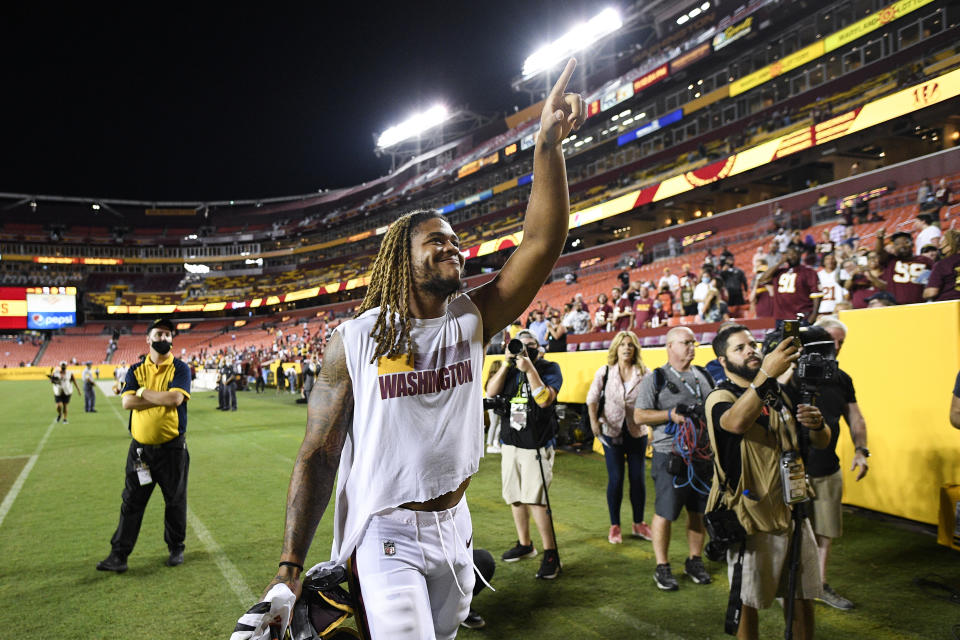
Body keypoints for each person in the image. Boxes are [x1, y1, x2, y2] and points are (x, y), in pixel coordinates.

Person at [247, 61, 583, 640]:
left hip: (457, 526)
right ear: (402, 258)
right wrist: (289, 568)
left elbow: (541, 241)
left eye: (456, 240)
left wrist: (546, 145)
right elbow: (319, 454)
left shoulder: (472, 319)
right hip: (386, 533)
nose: (453, 247)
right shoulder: (354, 339)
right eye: (437, 242)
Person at [704, 324, 830, 640]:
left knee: (801, 596)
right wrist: (768, 375)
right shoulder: (720, 396)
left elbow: (822, 441)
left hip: (793, 511)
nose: (750, 350)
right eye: (739, 348)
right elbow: (735, 422)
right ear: (723, 360)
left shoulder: (780, 394)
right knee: (748, 601)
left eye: (752, 344)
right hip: (751, 517)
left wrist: (818, 425)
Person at [97, 318, 192, 573]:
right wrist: (150, 397)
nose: (164, 338)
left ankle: (176, 548)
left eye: (168, 335)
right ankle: (119, 556)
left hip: (172, 450)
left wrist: (141, 392)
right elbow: (126, 404)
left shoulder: (181, 369)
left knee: (175, 501)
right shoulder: (135, 370)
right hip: (140, 452)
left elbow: (174, 398)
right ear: (148, 339)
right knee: (131, 502)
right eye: (159, 334)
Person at [634, 326, 716, 591]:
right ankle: (662, 566)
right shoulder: (655, 378)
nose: (692, 347)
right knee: (665, 512)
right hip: (670, 454)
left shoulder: (703, 375)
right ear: (670, 346)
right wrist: (670, 415)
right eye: (686, 342)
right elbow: (639, 416)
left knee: (698, 512)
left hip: (701, 455)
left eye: (694, 342)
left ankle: (694, 560)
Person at [797, 322, 870, 611]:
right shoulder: (791, 377)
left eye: (841, 343)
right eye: (831, 342)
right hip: (793, 468)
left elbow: (856, 418)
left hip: (827, 466)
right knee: (792, 532)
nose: (836, 348)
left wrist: (861, 450)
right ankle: (791, 584)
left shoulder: (842, 378)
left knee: (825, 532)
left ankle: (819, 585)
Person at [486, 329, 563, 578]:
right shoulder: (509, 368)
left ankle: (551, 552)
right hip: (510, 442)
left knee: (536, 499)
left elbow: (544, 400)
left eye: (530, 345)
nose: (524, 349)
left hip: (536, 444)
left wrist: (530, 369)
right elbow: (490, 392)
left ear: (539, 348)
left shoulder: (549, 367)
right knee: (515, 496)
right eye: (521, 345)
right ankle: (525, 544)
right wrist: (507, 363)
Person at [586, 331, 653, 544]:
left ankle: (639, 523)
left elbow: (652, 402)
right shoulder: (605, 372)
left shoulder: (645, 373)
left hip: (637, 432)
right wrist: (594, 422)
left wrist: (651, 428)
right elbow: (592, 398)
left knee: (638, 479)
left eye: (630, 345)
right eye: (623, 344)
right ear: (616, 348)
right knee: (615, 479)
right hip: (611, 432)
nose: (626, 348)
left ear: (635, 349)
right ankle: (615, 525)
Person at [756, 243, 822, 322]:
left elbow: (817, 295)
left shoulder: (808, 272)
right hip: (781, 317)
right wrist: (780, 263)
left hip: (801, 316)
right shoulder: (779, 272)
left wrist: (814, 315)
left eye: (794, 253)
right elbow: (762, 279)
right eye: (789, 254)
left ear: (800, 255)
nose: (792, 256)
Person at [876, 229, 934, 304]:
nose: (902, 246)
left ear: (912, 244)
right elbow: (879, 252)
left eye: (906, 242)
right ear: (893, 247)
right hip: (895, 306)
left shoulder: (926, 261)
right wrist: (879, 238)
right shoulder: (890, 260)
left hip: (920, 305)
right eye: (897, 244)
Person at [924, 230, 960, 301]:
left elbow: (932, 292)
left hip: (949, 305)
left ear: (949, 246)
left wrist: (925, 293)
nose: (940, 249)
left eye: (941, 245)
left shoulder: (943, 264)